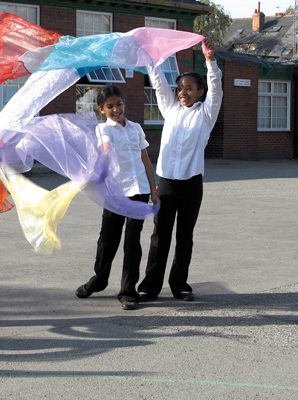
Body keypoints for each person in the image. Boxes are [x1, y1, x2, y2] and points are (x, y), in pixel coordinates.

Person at [137, 38, 222, 302]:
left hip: (191, 185)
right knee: (160, 236)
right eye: (180, 88)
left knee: (184, 237)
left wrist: (210, 61)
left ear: (200, 92)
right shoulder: (170, 109)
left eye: (189, 88)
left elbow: (216, 88)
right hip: (166, 184)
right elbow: (159, 83)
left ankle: (180, 285)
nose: (183, 92)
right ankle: (150, 286)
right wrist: (152, 60)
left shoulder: (206, 115)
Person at [75, 85, 160, 310]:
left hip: (139, 192)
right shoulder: (105, 130)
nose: (116, 109)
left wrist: (154, 190)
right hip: (115, 193)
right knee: (107, 239)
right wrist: (94, 174)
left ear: (124, 103)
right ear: (102, 109)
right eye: (110, 106)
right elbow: (105, 151)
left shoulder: (136, 129)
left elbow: (146, 160)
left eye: (119, 104)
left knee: (133, 242)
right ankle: (99, 279)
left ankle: (128, 291)